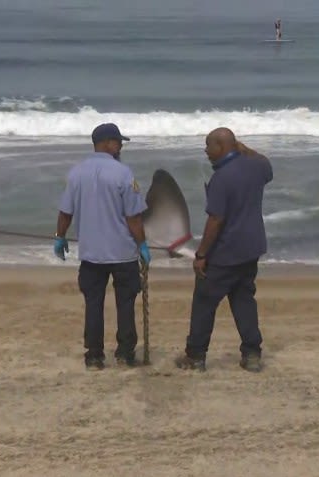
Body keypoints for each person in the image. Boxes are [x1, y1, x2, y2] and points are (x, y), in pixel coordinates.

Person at [54, 122, 152, 371]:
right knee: (126, 303)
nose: (120, 147)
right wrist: (142, 245)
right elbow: (134, 218)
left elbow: (65, 211)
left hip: (90, 254)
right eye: (118, 142)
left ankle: (94, 356)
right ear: (108, 143)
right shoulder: (123, 174)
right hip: (122, 253)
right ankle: (125, 353)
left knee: (93, 304)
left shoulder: (76, 173)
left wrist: (60, 236)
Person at [175, 127, 273, 373]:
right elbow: (266, 165)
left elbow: (216, 220)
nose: (206, 152)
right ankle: (252, 355)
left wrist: (201, 255)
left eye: (209, 146)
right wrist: (242, 148)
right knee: (243, 301)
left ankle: (195, 355)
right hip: (251, 248)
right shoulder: (256, 167)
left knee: (204, 303)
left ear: (221, 146)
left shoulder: (222, 177)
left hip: (226, 252)